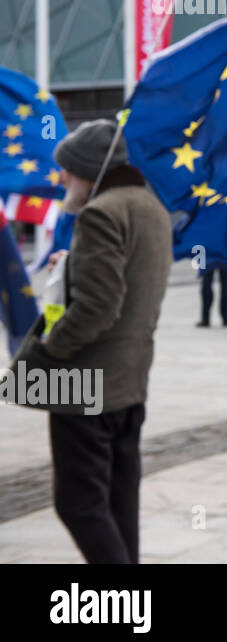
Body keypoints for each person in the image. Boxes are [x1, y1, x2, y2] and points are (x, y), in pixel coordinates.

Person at [20, 119, 172, 563]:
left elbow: (98, 307)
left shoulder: (100, 213)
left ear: (88, 170)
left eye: (66, 169)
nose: (61, 178)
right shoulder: (150, 208)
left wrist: (51, 350)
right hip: (130, 381)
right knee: (118, 502)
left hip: (84, 385)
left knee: (80, 503)